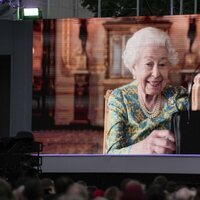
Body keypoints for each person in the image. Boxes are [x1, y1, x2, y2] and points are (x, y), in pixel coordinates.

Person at [106, 27, 188, 154]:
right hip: (132, 171)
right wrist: (142, 148)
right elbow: (110, 154)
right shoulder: (120, 98)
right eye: (149, 64)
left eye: (162, 64)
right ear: (134, 68)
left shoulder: (178, 97)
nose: (156, 74)